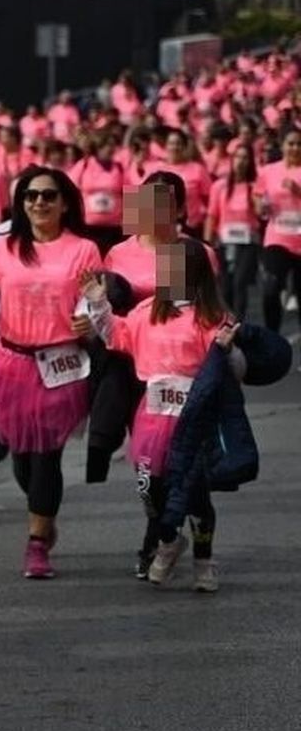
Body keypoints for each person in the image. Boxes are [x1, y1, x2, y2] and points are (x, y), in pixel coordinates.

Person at [0, 168, 102, 579]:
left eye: (48, 195)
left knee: (47, 455)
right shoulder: (3, 248)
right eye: (31, 196)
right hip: (11, 364)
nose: (39, 203)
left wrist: (88, 317)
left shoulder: (83, 249)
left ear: (65, 202)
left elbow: (94, 300)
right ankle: (43, 517)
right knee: (22, 459)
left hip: (60, 364)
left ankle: (36, 543)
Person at [87, 239, 228, 592]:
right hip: (151, 416)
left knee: (195, 494)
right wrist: (97, 302)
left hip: (193, 420)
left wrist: (230, 350)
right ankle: (168, 540)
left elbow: (232, 366)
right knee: (150, 487)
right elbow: (115, 336)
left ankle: (203, 559)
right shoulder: (146, 311)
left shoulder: (212, 317)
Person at [252, 127, 301, 335]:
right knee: (271, 289)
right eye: (290, 143)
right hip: (277, 238)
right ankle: (272, 336)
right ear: (282, 146)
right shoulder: (269, 170)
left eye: (299, 144)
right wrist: (260, 206)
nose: (295, 148)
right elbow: (257, 195)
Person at [206, 143, 259, 321]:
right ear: (231, 160)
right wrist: (208, 243)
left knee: (239, 282)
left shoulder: (255, 186)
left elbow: (261, 214)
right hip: (223, 241)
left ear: (250, 161)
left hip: (248, 242)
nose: (241, 161)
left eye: (245, 158)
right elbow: (212, 215)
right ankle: (227, 320)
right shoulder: (219, 186)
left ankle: (239, 324)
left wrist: (258, 199)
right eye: (237, 157)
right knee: (225, 286)